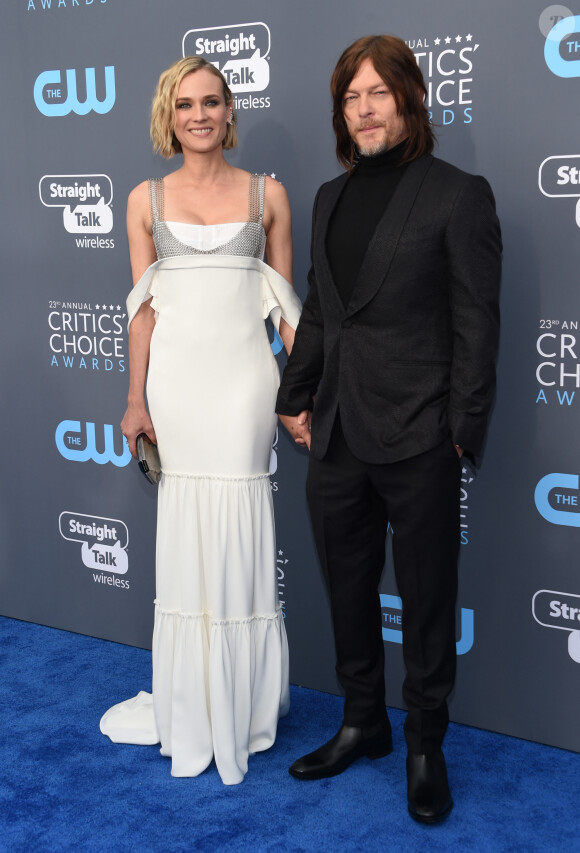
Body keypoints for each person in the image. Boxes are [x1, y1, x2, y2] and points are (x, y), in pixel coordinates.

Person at [276, 35, 501, 822]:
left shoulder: (458, 193)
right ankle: (363, 720)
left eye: (379, 92)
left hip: (420, 434)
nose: (365, 109)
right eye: (351, 96)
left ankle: (424, 740)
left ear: (409, 99)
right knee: (346, 586)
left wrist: (461, 430)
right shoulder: (328, 198)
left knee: (429, 594)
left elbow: (478, 323)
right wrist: (292, 396)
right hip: (334, 432)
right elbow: (320, 315)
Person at [99, 56, 301, 785]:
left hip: (246, 385)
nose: (200, 115)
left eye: (212, 101)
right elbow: (142, 311)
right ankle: (193, 701)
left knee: (243, 523)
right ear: (169, 114)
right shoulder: (143, 199)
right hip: (178, 388)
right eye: (185, 104)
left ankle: (244, 705)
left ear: (228, 111)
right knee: (187, 533)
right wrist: (134, 398)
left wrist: (298, 391)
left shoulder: (268, 194)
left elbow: (284, 309)